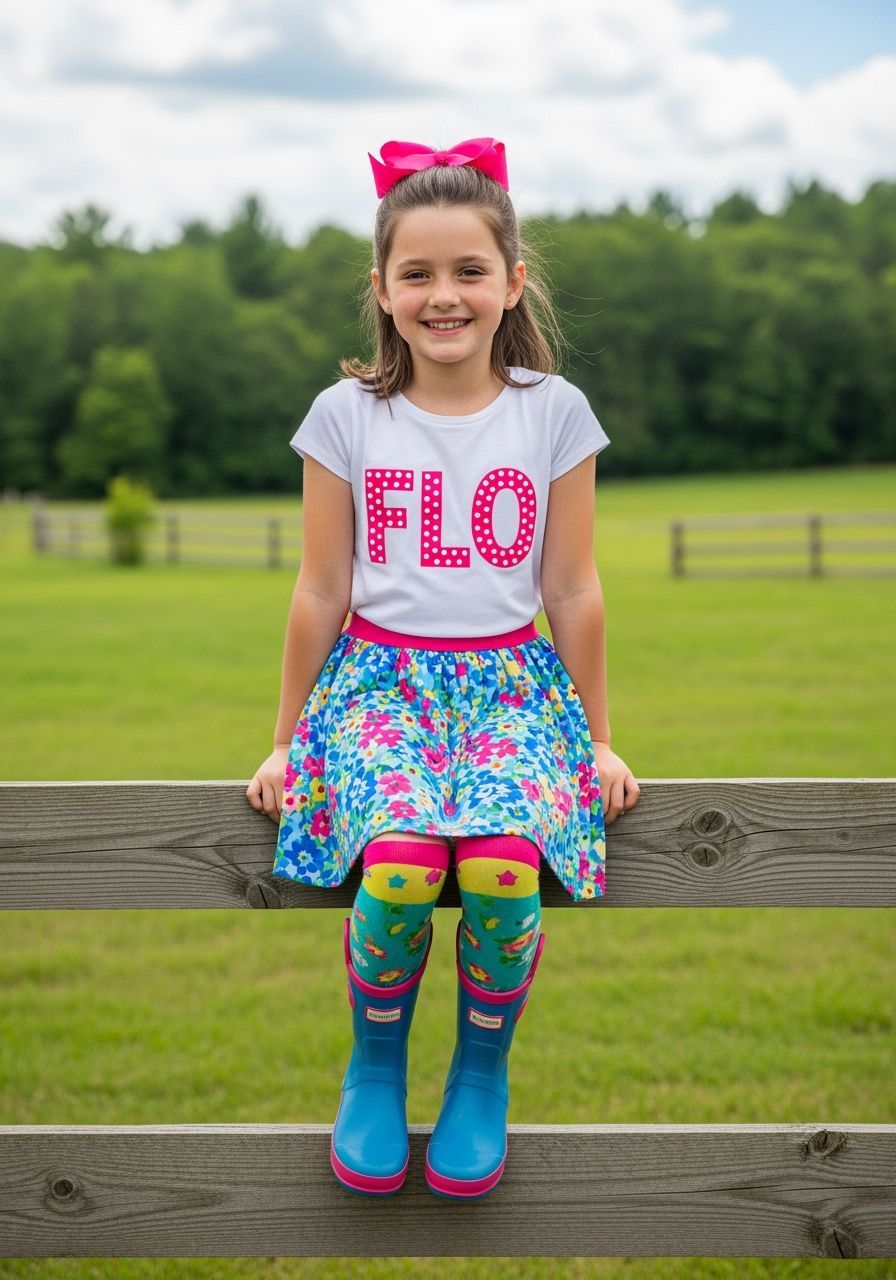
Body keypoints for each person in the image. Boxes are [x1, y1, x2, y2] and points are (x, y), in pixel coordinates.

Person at [246, 137, 640, 1200]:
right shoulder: (345, 418)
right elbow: (320, 590)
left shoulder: (551, 412)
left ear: (511, 281)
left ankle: (479, 1065)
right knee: (406, 864)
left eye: (467, 269)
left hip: (511, 689)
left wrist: (598, 735)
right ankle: (374, 1064)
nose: (442, 294)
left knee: (507, 865)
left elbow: (571, 590)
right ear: (380, 289)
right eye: (415, 272)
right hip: (379, 688)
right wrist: (285, 738)